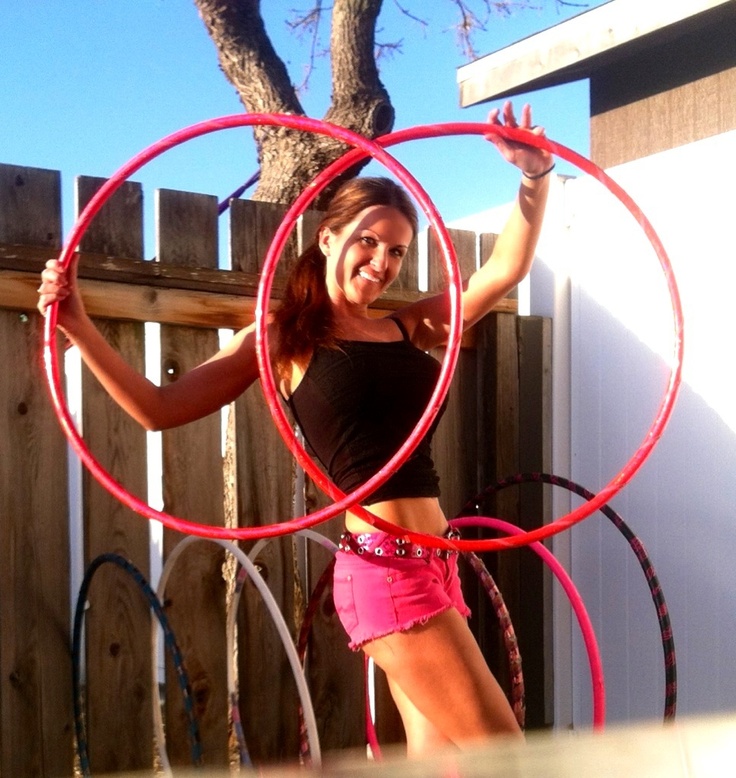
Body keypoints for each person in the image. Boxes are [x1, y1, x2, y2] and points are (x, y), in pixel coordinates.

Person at [38, 101, 552, 757]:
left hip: (437, 562)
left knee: (443, 764)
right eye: (367, 241)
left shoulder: (410, 326)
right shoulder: (285, 338)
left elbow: (501, 273)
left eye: (396, 251)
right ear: (327, 237)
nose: (381, 261)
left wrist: (533, 180)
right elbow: (157, 408)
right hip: (385, 572)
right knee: (506, 758)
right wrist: (79, 326)